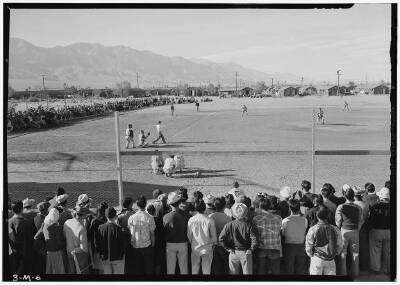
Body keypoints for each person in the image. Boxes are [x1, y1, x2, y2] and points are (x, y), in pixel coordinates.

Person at [219, 203, 257, 275]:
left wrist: (227, 248)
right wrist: (251, 249)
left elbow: (221, 239)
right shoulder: (249, 225)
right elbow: (254, 239)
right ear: (245, 212)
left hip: (233, 252)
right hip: (246, 252)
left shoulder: (229, 225)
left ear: (233, 213)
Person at [305, 206, 343, 275]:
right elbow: (340, 243)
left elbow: (309, 244)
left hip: (317, 258)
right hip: (330, 258)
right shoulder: (335, 229)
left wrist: (310, 254)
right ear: (328, 215)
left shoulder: (313, 229)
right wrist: (337, 252)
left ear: (317, 216)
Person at [335, 187, 363, 278]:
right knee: (355, 253)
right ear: (353, 196)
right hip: (355, 231)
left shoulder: (341, 207)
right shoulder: (358, 207)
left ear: (344, 196)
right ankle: (355, 273)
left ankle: (343, 273)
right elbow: (360, 220)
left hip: (344, 231)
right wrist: (357, 229)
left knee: (343, 252)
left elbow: (338, 221)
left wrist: (339, 229)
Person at [252, 197, 282, 275]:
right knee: (275, 271)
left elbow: (254, 234)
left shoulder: (256, 219)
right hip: (275, 248)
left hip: (262, 248)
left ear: (259, 207)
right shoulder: (278, 218)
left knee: (261, 271)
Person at [187, 200, 217, 275]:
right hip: (207, 247)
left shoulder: (191, 220)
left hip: (195, 247)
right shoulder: (209, 220)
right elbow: (214, 237)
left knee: (194, 269)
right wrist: (213, 244)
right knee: (206, 270)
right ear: (204, 209)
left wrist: (192, 243)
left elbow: (189, 235)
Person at [128, 195, 156, 274]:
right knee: (149, 269)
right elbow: (152, 233)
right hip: (147, 246)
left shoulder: (131, 217)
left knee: (138, 269)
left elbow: (130, 232)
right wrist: (153, 245)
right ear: (146, 203)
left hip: (136, 246)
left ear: (136, 204)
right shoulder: (150, 217)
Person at [163, 192, 189, 274]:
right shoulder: (186, 215)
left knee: (170, 268)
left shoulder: (166, 216)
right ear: (179, 203)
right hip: (183, 243)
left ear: (171, 204)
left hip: (170, 244)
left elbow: (164, 230)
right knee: (184, 268)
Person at [96, 207, 128, 274]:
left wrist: (100, 253)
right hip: (117, 259)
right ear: (116, 216)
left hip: (104, 258)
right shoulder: (119, 229)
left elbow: (97, 243)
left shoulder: (100, 228)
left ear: (106, 216)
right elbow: (123, 245)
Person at [281, 199, 308, 275]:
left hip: (289, 246)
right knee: (300, 269)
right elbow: (304, 230)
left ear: (290, 208)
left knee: (289, 269)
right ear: (299, 208)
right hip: (301, 246)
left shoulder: (285, 220)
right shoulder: (304, 220)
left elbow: (283, 233)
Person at [8, 201, 36, 274]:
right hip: (26, 253)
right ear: (21, 210)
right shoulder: (27, 223)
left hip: (13, 253)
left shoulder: (8, 222)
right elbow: (31, 239)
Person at [368, 187, 390, 275]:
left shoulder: (375, 207)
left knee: (375, 250)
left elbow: (371, 221)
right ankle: (387, 269)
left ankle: (376, 268)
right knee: (388, 251)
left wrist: (369, 229)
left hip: (376, 231)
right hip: (389, 232)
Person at [63, 205, 90, 274]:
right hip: (79, 256)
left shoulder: (67, 222)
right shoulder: (81, 228)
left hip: (69, 252)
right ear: (83, 215)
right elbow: (84, 248)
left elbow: (64, 235)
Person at [208, 197, 232, 275]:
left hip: (213, 246)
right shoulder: (228, 218)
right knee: (225, 267)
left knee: (215, 268)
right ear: (224, 206)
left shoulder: (210, 217)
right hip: (225, 246)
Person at [41, 208, 67, 274]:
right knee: (58, 270)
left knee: (50, 270)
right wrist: (66, 242)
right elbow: (60, 242)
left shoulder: (44, 225)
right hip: (56, 252)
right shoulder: (57, 228)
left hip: (48, 252)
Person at [353, 186, 370, 271]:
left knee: (354, 248)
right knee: (364, 247)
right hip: (364, 228)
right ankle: (364, 266)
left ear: (354, 195)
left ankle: (355, 265)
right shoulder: (366, 204)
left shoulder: (354, 205)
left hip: (355, 228)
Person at [88, 202, 108, 274]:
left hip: (97, 249)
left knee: (100, 269)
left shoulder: (94, 221)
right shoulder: (107, 221)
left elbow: (89, 236)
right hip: (106, 248)